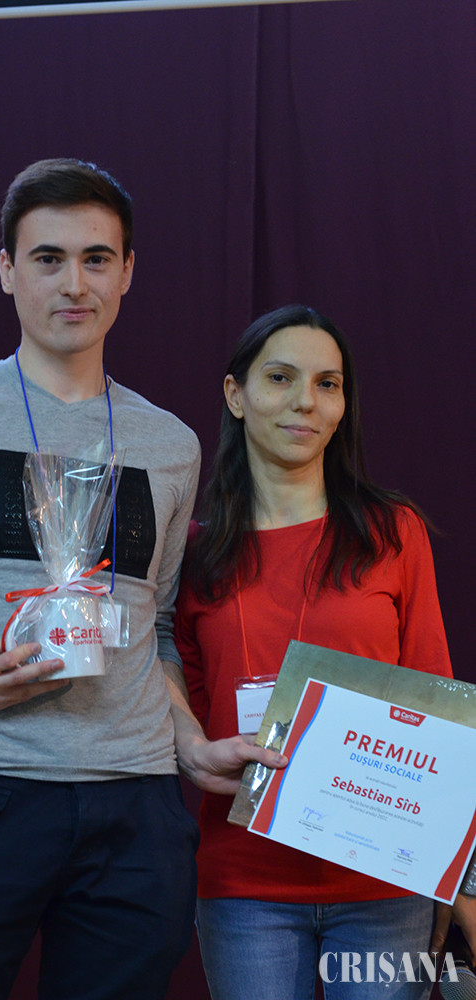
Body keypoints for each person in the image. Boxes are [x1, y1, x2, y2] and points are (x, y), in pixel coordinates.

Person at [0, 158, 284, 1000]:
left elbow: (156, 631)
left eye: (96, 258)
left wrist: (189, 747)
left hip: (136, 810)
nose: (74, 283)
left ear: (127, 271)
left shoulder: (171, 443)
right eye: (48, 258)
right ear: (7, 270)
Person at [173, 304, 476, 999]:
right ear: (236, 395)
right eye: (280, 377)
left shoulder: (393, 532)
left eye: (327, 384)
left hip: (386, 882)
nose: (305, 401)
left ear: (343, 405)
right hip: (244, 883)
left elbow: (439, 708)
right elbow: (185, 710)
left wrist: (460, 880)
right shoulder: (193, 553)